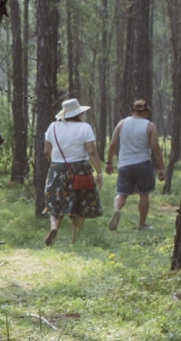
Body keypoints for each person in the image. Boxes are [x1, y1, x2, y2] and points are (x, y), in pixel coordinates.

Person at [43, 97, 104, 246]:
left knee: (55, 203)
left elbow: (46, 151)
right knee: (79, 205)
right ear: (78, 113)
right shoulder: (85, 127)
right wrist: (99, 173)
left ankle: (54, 227)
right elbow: (91, 152)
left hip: (57, 168)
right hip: (80, 170)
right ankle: (74, 241)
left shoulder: (53, 127)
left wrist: (56, 166)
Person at [104, 98, 165, 231]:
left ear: (133, 110)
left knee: (121, 193)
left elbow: (113, 144)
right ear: (146, 112)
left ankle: (117, 210)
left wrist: (109, 162)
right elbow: (155, 148)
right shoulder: (150, 126)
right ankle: (142, 224)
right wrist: (162, 167)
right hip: (143, 163)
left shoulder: (121, 124)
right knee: (144, 194)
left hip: (124, 164)